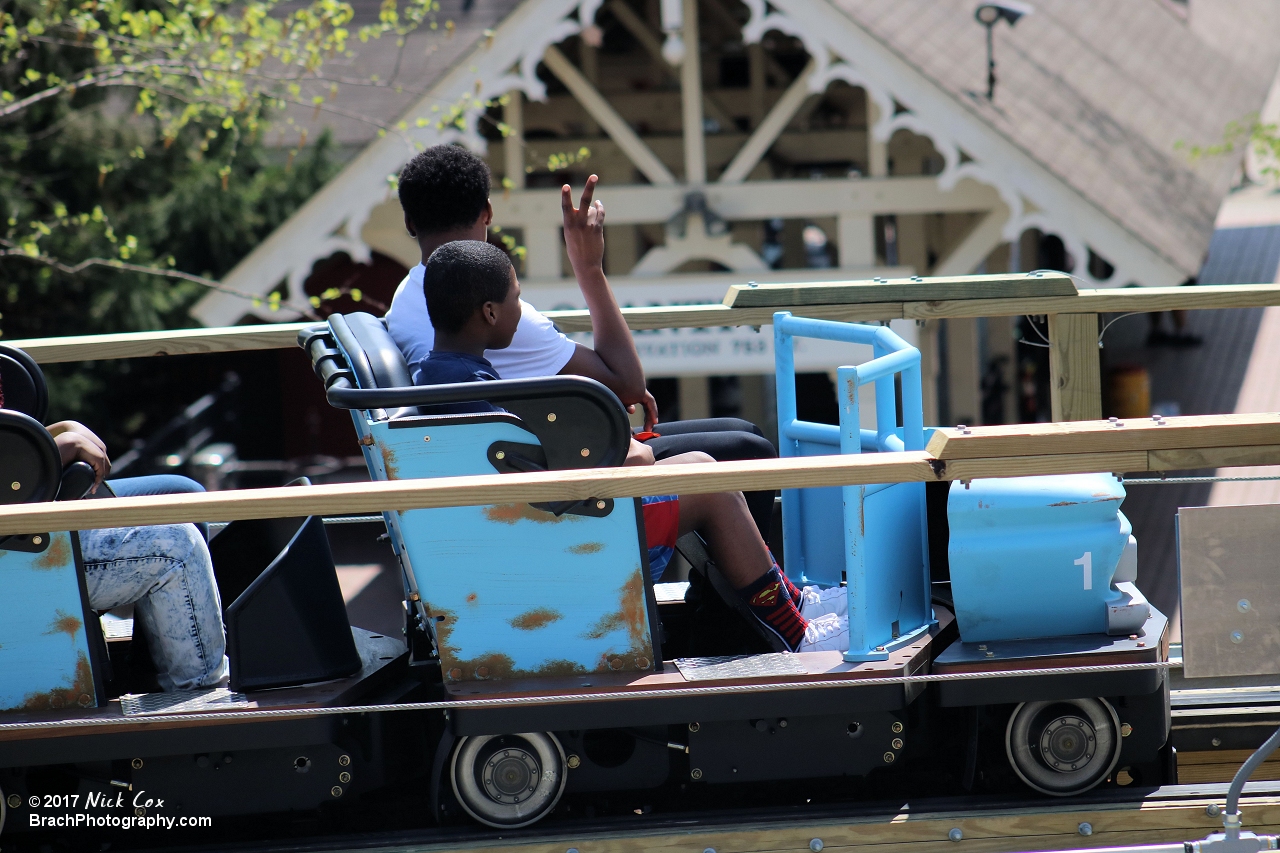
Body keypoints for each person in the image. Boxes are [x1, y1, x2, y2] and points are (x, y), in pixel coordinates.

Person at [413, 238, 848, 653]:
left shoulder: (443, 377)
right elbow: (554, 470)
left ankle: (793, 605)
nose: (519, 309)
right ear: (490, 312)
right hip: (569, 538)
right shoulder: (469, 391)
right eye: (516, 299)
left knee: (698, 461)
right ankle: (795, 633)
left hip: (530, 529)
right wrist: (629, 452)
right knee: (714, 487)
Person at [385, 145, 777, 537]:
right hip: (553, 468)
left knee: (742, 431)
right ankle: (744, 594)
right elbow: (626, 383)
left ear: (408, 221)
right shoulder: (486, 311)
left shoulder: (408, 298)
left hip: (521, 455)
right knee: (748, 450)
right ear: (487, 212)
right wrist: (588, 266)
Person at [39, 419, 229, 691]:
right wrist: (61, 449)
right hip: (15, 545)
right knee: (176, 546)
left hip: (34, 492)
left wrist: (58, 431)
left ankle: (149, 670)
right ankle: (200, 689)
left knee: (184, 496)